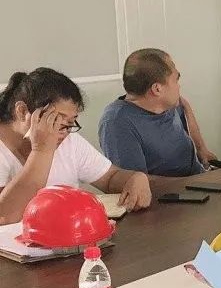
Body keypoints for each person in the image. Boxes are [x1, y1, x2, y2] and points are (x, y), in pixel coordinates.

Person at [0, 68, 151, 226]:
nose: (63, 133)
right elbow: (6, 216)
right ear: (22, 111)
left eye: (70, 123)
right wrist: (42, 150)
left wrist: (134, 178)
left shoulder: (70, 142)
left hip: (68, 238)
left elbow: (110, 177)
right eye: (55, 121)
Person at [99, 49, 221, 177]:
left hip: (197, 178)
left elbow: (184, 106)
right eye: (176, 80)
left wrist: (201, 149)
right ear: (157, 89)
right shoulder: (117, 123)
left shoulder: (167, 103)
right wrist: (191, 182)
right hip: (175, 188)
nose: (179, 86)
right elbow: (135, 182)